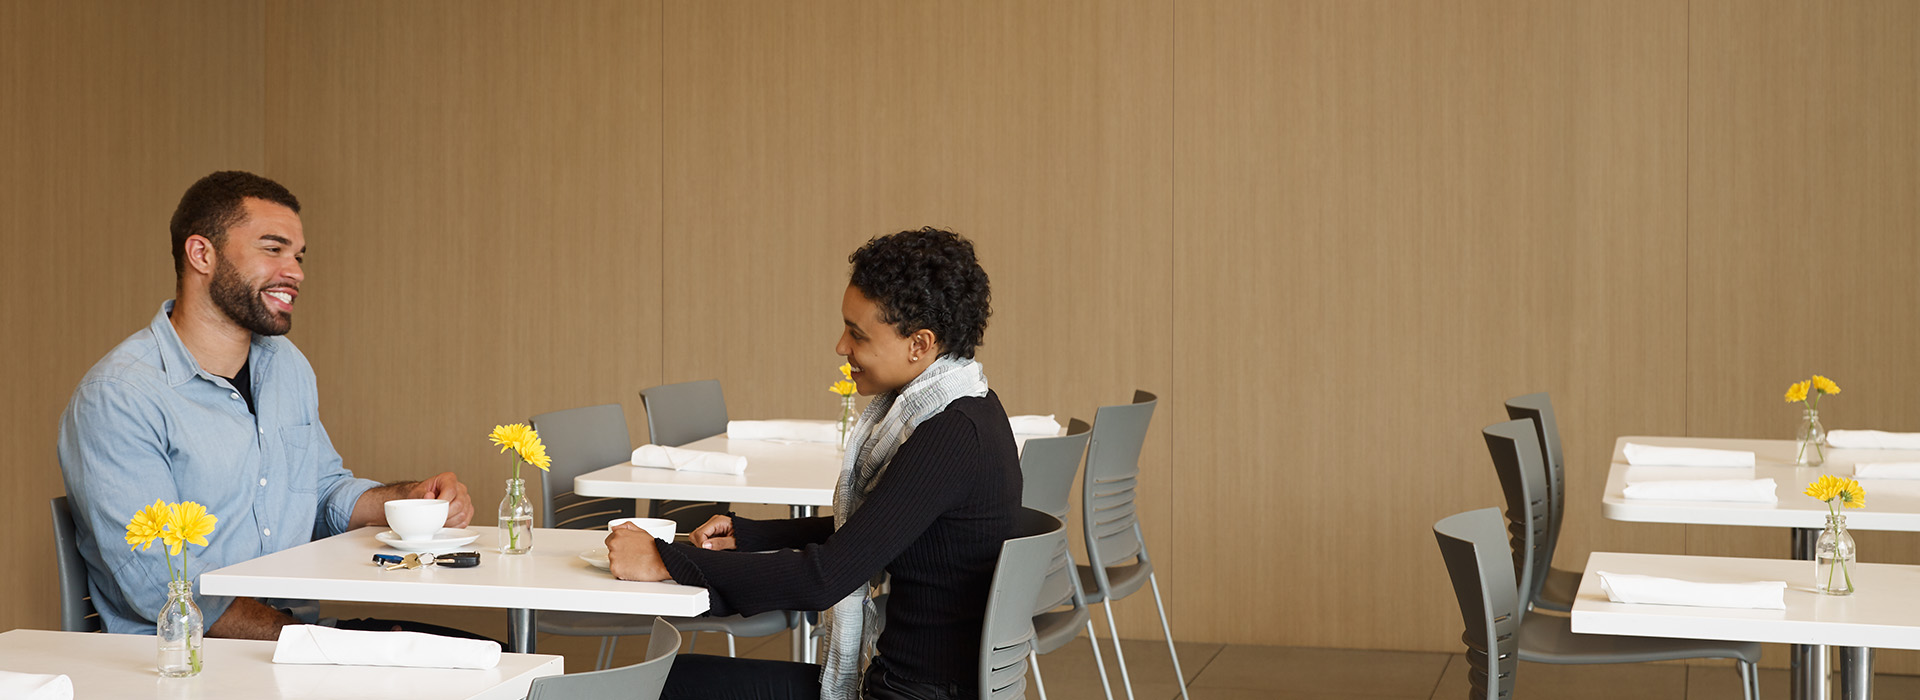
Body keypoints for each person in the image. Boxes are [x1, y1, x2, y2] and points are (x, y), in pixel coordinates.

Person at [57, 171, 476, 639]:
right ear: (202, 254)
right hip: (190, 658)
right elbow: (163, 586)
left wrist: (407, 500)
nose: (295, 271)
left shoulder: (285, 366)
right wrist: (318, 643)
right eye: (273, 249)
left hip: (291, 634)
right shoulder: (119, 397)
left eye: (298, 256)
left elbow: (320, 493)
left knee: (494, 658)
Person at [606, 227, 1021, 700]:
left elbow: (823, 578)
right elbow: (877, 531)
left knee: (665, 683)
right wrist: (751, 536)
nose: (842, 346)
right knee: (677, 678)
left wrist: (667, 561)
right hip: (923, 687)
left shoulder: (949, 435)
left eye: (857, 334)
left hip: (906, 693)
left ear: (919, 344)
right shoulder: (971, 407)